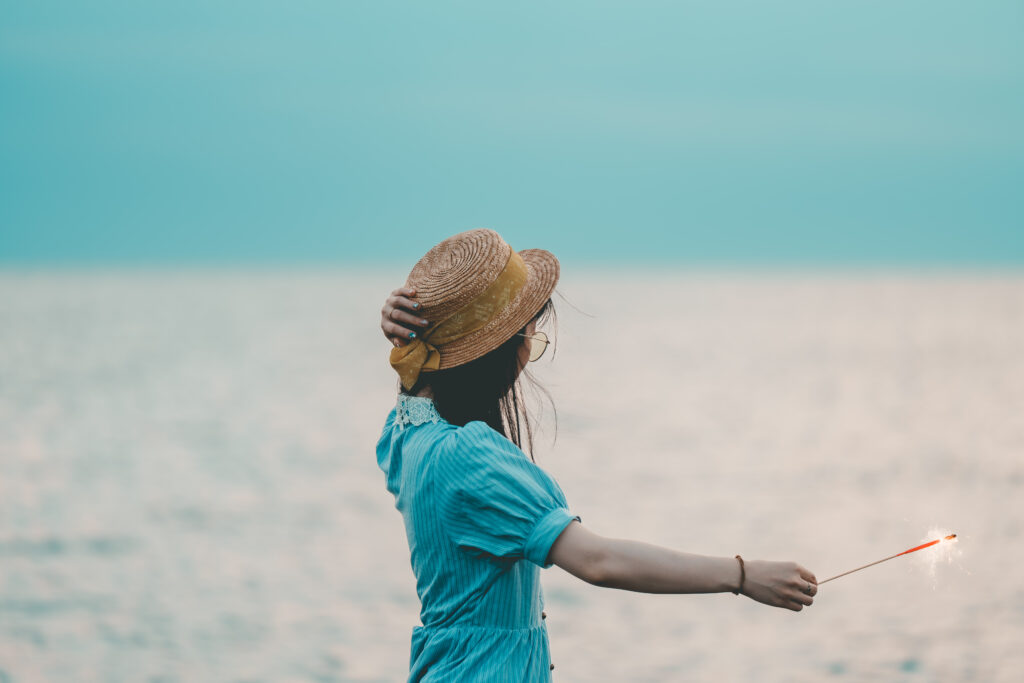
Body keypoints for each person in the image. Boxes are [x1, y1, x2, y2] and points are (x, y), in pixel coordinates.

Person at [376, 229, 817, 682]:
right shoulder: (470, 456)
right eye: (529, 337)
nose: (528, 351)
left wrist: (401, 332)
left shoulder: (407, 435)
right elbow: (598, 561)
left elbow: (417, 387)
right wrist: (743, 575)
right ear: (496, 351)